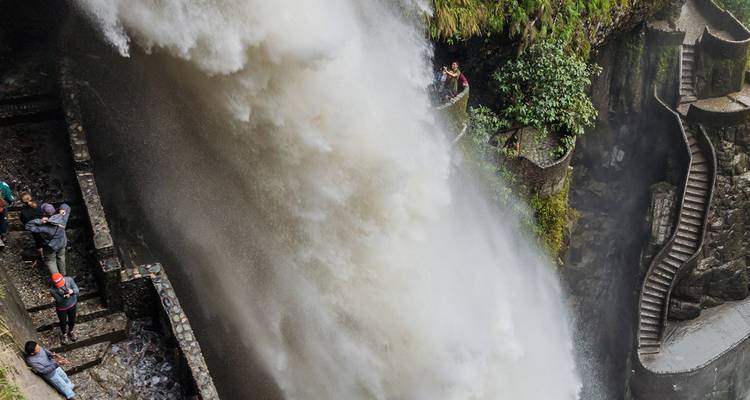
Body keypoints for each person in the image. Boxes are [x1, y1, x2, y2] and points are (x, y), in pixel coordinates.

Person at [24, 203, 71, 275]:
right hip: (62, 243)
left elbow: (28, 226)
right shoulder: (62, 217)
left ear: (44, 214)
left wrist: (40, 221)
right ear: (55, 210)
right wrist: (62, 210)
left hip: (51, 246)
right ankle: (64, 275)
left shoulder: (44, 226)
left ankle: (59, 280)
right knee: (61, 257)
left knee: (51, 261)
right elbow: (66, 206)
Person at [50, 273, 79, 344]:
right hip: (61, 308)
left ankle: (71, 331)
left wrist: (72, 291)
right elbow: (58, 300)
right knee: (63, 322)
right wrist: (64, 296)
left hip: (72, 304)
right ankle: (64, 334)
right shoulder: (52, 290)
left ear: (63, 278)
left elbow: (77, 289)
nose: (61, 285)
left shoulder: (69, 280)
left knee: (72, 319)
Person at [19, 192, 44, 262]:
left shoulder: (23, 211)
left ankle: (42, 257)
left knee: (38, 242)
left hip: (34, 229)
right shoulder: (39, 205)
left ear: (23, 202)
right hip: (45, 226)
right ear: (31, 197)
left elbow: (23, 221)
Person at [0, 180, 15, 247]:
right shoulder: (3, 185)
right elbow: (10, 198)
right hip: (1, 207)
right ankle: (3, 236)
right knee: (2, 221)